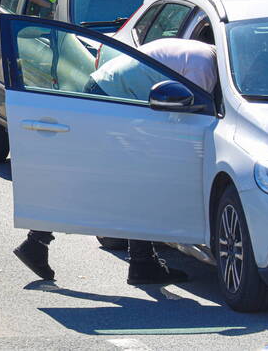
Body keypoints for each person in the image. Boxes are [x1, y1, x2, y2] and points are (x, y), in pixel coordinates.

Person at [13, 38, 220, 285]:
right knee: (137, 181)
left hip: (110, 94)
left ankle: (38, 242)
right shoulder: (205, 66)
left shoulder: (202, 55)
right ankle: (140, 263)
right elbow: (188, 120)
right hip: (111, 99)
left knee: (127, 180)